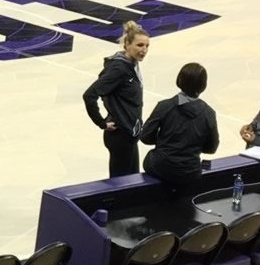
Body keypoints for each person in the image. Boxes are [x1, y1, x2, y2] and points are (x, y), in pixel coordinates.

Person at [83, 20, 150, 178]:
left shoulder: (131, 64)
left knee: (131, 181)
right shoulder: (119, 69)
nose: (144, 50)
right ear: (127, 44)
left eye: (147, 46)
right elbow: (89, 95)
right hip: (120, 135)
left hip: (129, 133)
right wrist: (101, 122)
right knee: (121, 184)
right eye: (140, 45)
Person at [138, 62, 218, 187]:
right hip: (190, 171)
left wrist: (164, 141)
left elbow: (145, 137)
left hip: (161, 167)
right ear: (203, 85)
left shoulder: (165, 106)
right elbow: (211, 148)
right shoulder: (209, 113)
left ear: (179, 80)